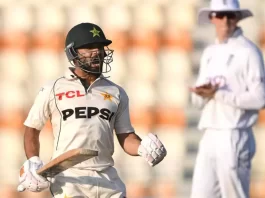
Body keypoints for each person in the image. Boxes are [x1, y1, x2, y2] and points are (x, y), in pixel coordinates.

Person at [17, 22, 167, 198]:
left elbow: (126, 136)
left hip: (108, 178)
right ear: (72, 53)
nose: (97, 52)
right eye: (89, 48)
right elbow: (32, 129)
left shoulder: (116, 92)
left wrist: (143, 148)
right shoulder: (53, 88)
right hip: (70, 179)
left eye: (100, 47)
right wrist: (33, 160)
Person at [190, 0, 265, 198]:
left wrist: (218, 94)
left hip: (235, 132)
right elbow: (197, 102)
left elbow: (260, 99)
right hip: (210, 132)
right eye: (220, 15)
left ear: (238, 18)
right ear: (212, 18)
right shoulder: (210, 53)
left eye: (230, 15)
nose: (225, 20)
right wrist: (201, 94)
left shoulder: (249, 52)